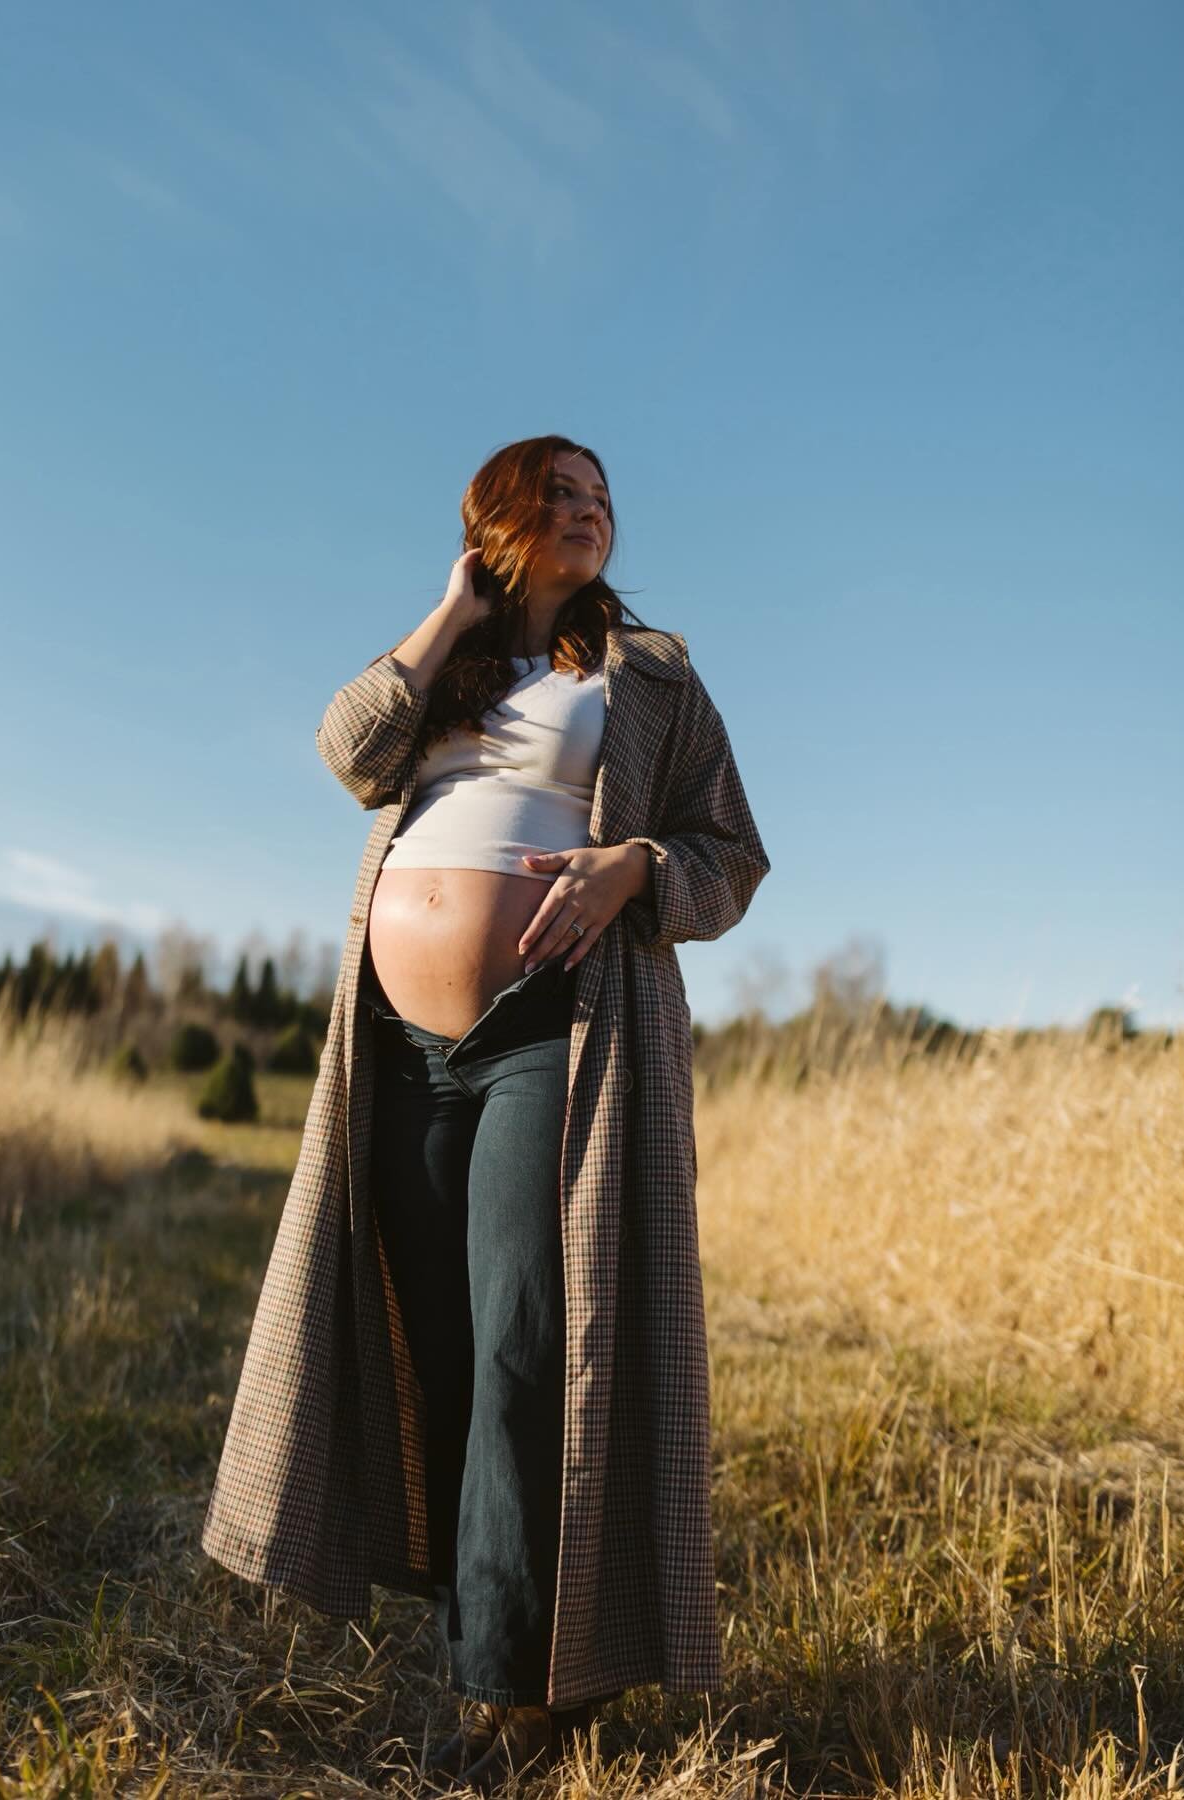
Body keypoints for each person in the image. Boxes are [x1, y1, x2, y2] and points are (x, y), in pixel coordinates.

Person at [201, 436, 771, 1793]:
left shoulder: (652, 675)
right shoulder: (446, 671)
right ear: (500, 518)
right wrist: (454, 607)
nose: (590, 512)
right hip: (396, 1046)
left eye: (603, 498)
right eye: (560, 494)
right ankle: (495, 1650)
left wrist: (636, 866)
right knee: (445, 1354)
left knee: (524, 1344)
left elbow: (733, 855)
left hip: (547, 1032)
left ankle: (515, 1704)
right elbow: (346, 748)